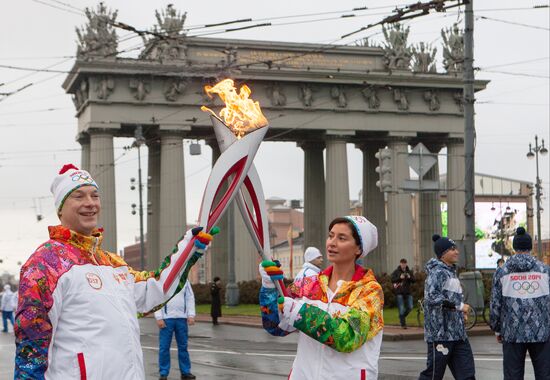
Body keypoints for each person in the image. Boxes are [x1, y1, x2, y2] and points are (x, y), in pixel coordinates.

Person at [14, 164, 215, 380]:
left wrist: (188, 249)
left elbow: (154, 288)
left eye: (95, 195)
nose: (90, 203)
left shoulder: (112, 263)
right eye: (79, 196)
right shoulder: (46, 264)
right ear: (60, 208)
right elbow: (31, 348)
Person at [259, 216, 384, 379]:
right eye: (331, 236)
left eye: (342, 238)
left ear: (358, 249)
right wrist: (269, 287)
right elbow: (275, 325)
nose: (332, 243)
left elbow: (347, 337)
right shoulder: (310, 284)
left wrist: (300, 312)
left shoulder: (369, 291)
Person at [490, 227, 550, 380]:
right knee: (545, 374)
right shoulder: (545, 271)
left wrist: (497, 329)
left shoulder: (502, 272)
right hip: (542, 332)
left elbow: (495, 304)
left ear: (514, 247)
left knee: (513, 375)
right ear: (530, 247)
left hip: (511, 333)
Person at [419, 234, 475, 380]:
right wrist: (459, 307)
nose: (456, 251)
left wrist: (459, 314)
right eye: (452, 249)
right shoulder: (437, 272)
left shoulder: (451, 272)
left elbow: (450, 298)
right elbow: (431, 298)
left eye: (455, 248)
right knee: (433, 375)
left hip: (458, 334)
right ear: (442, 254)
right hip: (440, 335)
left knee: (467, 375)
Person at [155, 280, 196, 380]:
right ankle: (163, 373)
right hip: (166, 319)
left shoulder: (184, 280)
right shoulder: (163, 279)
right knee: (164, 347)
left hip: (181, 318)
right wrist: (159, 317)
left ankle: (185, 372)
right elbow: (157, 298)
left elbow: (189, 297)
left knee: (183, 346)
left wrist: (191, 315)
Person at [391, 258, 415, 329]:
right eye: (402, 263)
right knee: (401, 308)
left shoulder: (409, 271)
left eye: (404, 263)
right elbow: (392, 280)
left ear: (406, 264)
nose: (403, 265)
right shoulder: (396, 271)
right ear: (400, 264)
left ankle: (402, 317)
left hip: (408, 292)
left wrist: (409, 277)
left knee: (410, 307)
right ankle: (403, 324)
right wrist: (400, 277)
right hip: (399, 292)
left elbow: (414, 280)